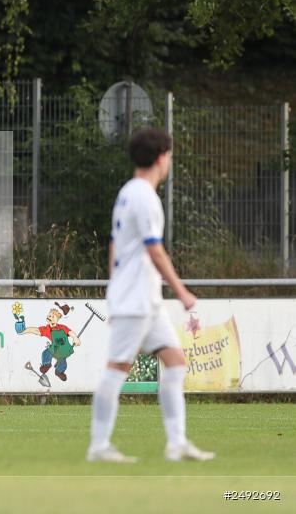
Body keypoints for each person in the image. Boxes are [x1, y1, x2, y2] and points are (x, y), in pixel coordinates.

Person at [87, 128, 214, 463]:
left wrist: (114, 288)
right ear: (161, 157)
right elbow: (154, 250)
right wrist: (182, 291)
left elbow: (115, 244)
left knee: (175, 363)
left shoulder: (128, 192)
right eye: (169, 155)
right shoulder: (144, 197)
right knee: (117, 368)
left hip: (143, 298)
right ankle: (98, 446)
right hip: (136, 299)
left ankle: (176, 443)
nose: (169, 161)